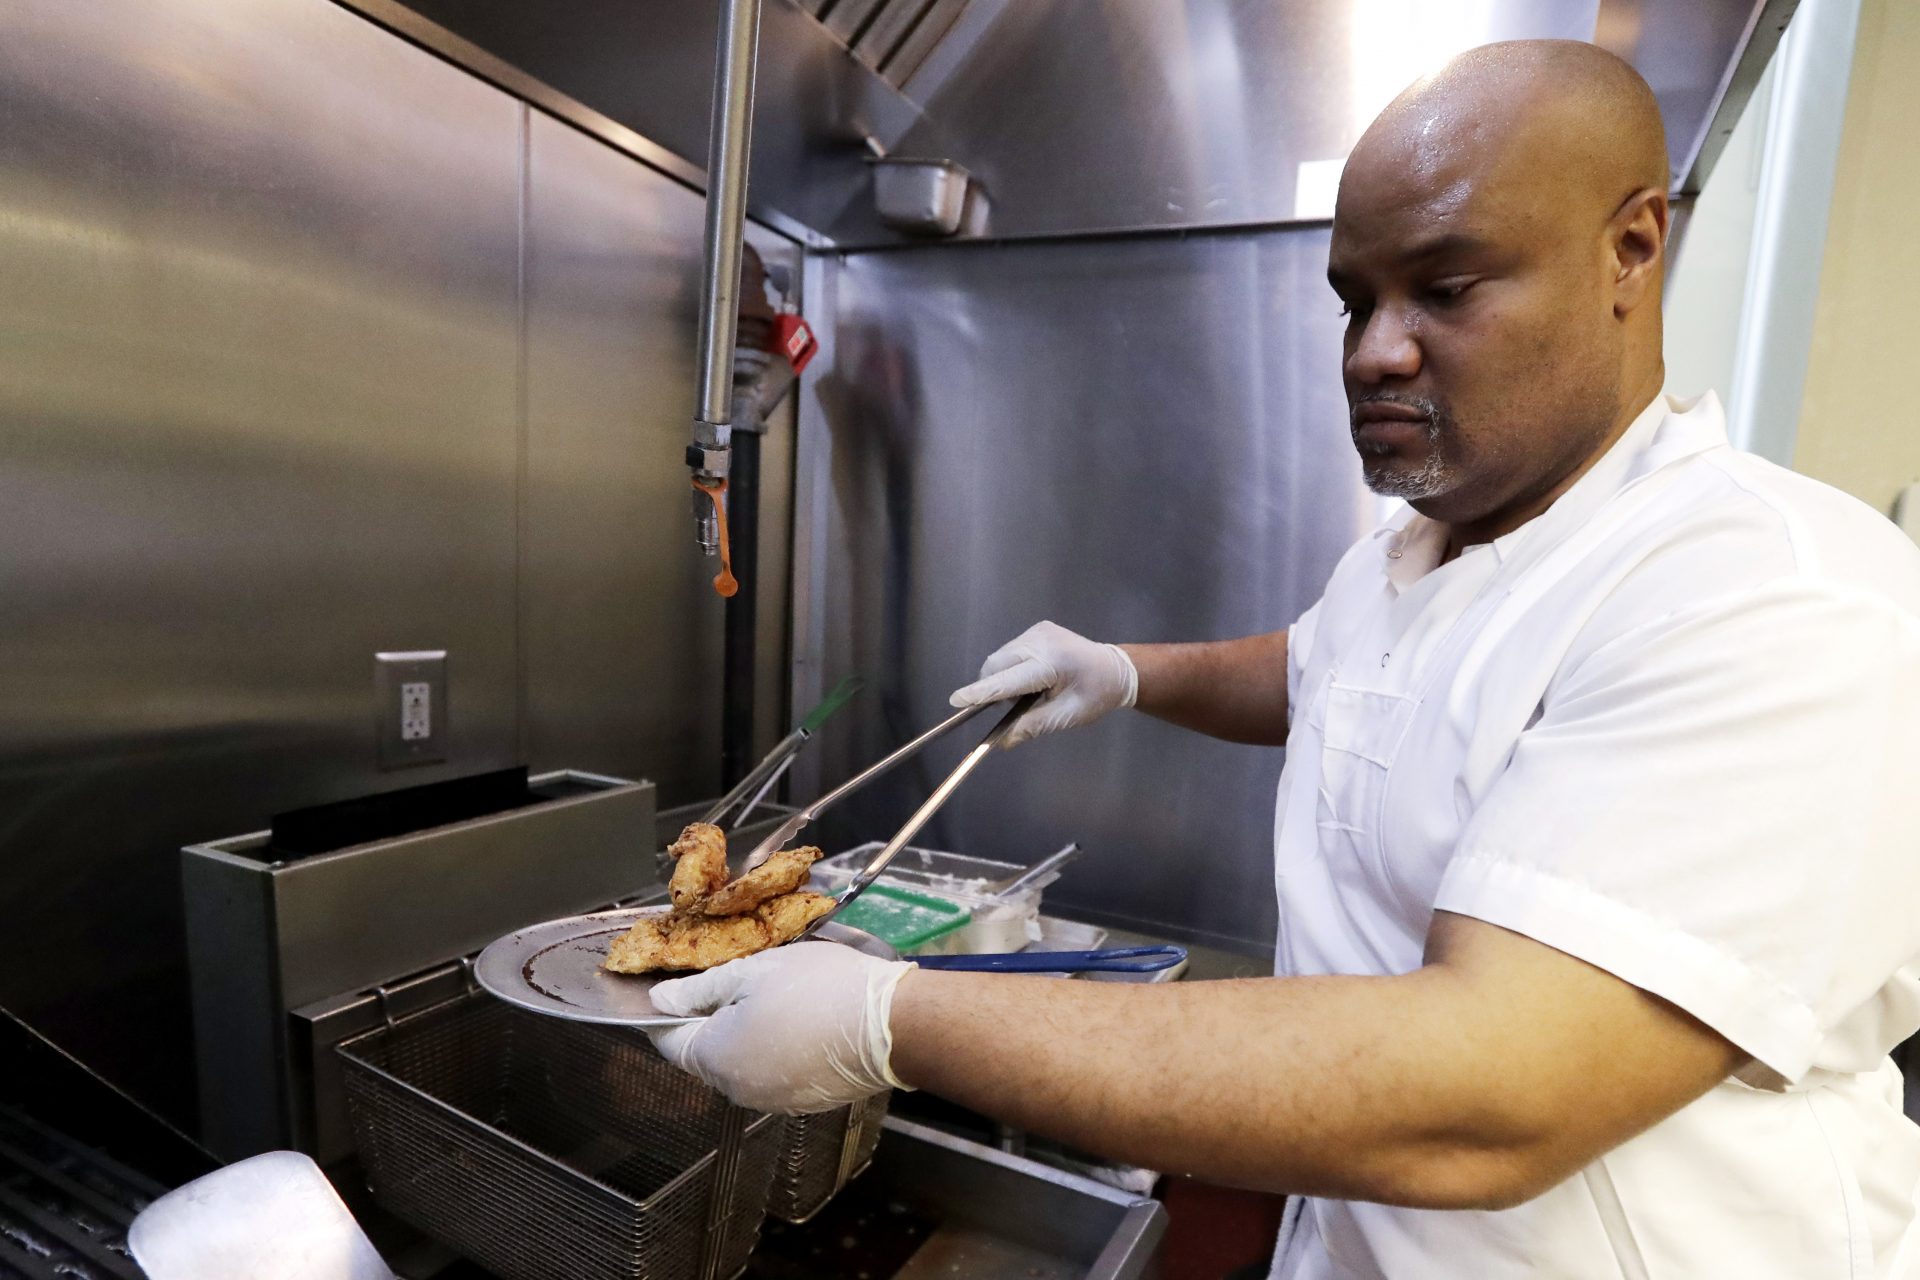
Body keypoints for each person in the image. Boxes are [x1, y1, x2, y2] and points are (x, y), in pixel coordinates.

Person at [648, 40, 1920, 1278]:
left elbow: (1489, 1090)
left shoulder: (1770, 591)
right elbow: (1327, 675)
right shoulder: (1412, 549)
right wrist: (1128, 670)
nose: (1375, 347)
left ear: (1632, 248)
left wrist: (889, 1017)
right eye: (1355, 299)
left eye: (1448, 285)